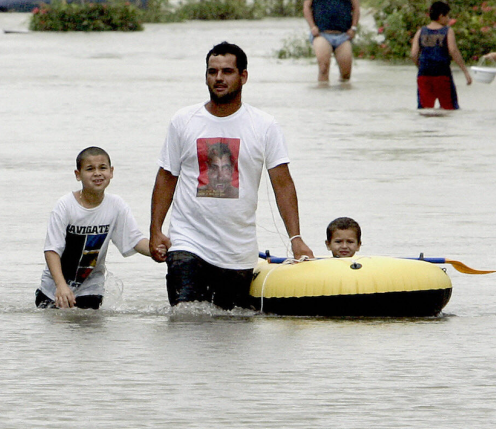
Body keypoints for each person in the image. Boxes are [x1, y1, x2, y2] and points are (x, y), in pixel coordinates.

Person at [149, 42, 315, 310]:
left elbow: (282, 184)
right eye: (212, 71)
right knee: (185, 321)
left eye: (227, 71)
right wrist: (155, 229)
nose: (219, 78)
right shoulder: (183, 120)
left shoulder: (264, 125)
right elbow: (167, 176)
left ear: (243, 76)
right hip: (188, 241)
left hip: (238, 251)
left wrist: (296, 238)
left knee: (232, 334)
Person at [36, 147, 151, 310]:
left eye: (102, 168)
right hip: (53, 288)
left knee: (92, 332)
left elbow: (135, 241)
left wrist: (161, 250)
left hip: (91, 287)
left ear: (111, 172)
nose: (97, 173)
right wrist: (61, 286)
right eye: (90, 169)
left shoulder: (116, 205)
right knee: (58, 333)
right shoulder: (65, 205)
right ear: (78, 175)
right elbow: (51, 250)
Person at [303, 0, 360, 82]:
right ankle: (323, 96)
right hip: (322, 34)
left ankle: (342, 97)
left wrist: (353, 28)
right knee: (323, 68)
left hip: (343, 35)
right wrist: (312, 26)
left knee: (346, 74)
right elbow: (306, 7)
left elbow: (356, 8)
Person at [410, 1, 472, 109]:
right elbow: (453, 51)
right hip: (442, 74)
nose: (448, 19)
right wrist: (465, 72)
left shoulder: (420, 32)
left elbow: (414, 54)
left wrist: (420, 67)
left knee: (425, 109)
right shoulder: (447, 31)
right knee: (450, 108)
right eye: (447, 16)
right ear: (441, 16)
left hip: (424, 74)